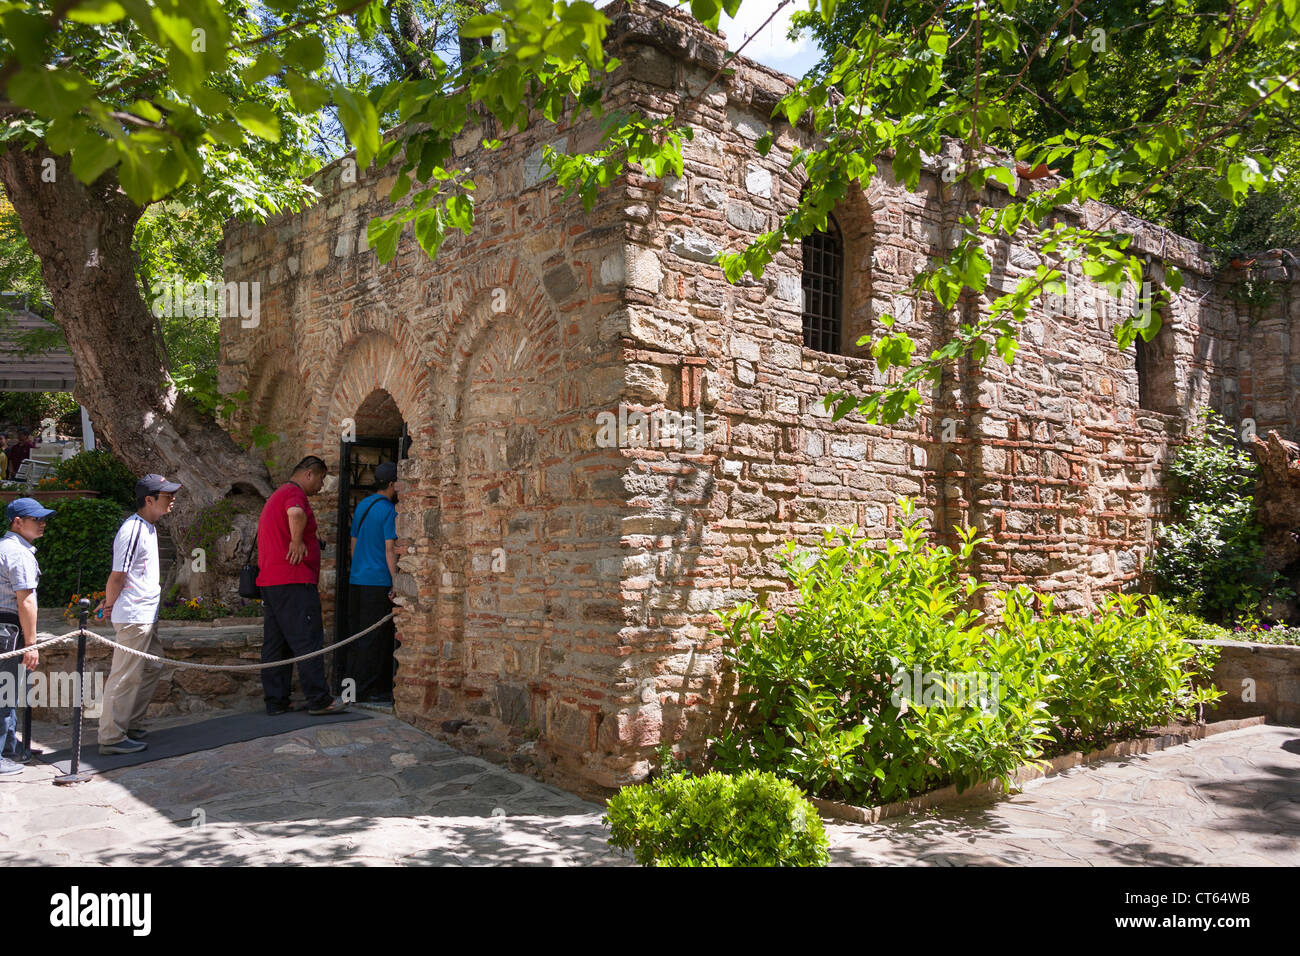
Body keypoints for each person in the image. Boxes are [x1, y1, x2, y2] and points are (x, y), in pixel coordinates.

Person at [96, 475, 181, 755]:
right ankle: (111, 736)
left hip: (145, 613)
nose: (172, 500)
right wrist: (109, 605)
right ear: (149, 500)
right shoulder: (132, 529)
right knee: (125, 675)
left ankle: (129, 724)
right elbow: (117, 575)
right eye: (167, 496)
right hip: (134, 615)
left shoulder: (148, 527)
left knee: (151, 666)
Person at [257, 456, 347, 716]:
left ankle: (276, 700)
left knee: (277, 644)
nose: (321, 486)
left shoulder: (278, 493)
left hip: (272, 582)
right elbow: (295, 513)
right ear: (309, 474)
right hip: (293, 580)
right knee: (307, 639)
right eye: (320, 479)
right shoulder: (294, 493)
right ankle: (319, 700)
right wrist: (297, 541)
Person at [0, 497, 54, 775]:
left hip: (5, 627)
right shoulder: (18, 553)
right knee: (3, 694)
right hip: (7, 628)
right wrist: (31, 644)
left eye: (43, 518)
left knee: (7, 692)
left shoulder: (6, 547)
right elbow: (26, 601)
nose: (42, 523)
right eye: (36, 519)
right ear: (17, 522)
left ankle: (9, 748)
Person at [341, 461, 399, 704]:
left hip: (357, 579)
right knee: (374, 637)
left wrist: (360, 567)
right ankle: (368, 690)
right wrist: (396, 581)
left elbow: (353, 544)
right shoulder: (389, 510)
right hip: (377, 581)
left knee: (357, 635)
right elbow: (389, 549)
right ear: (392, 484)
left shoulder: (364, 505)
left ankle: (350, 689)